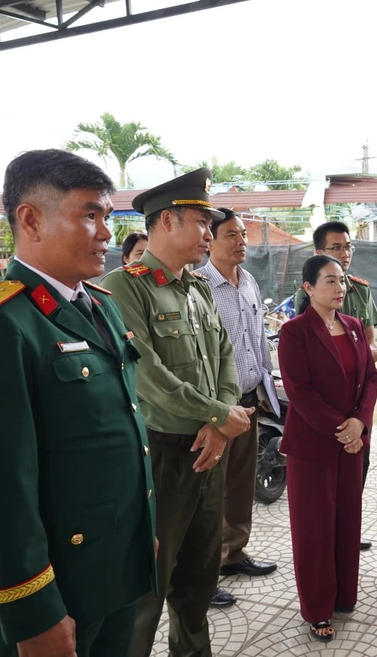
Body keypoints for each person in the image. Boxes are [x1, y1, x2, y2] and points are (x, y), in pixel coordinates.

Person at [0, 149, 157, 657]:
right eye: (89, 215)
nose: (106, 233)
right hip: (56, 589)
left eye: (107, 215)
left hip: (116, 570)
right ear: (31, 220)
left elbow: (122, 433)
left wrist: (142, 534)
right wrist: (33, 613)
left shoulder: (100, 306)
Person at [101, 168, 254, 657]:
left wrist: (221, 421)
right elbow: (147, 376)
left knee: (198, 583)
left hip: (209, 451)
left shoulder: (198, 287)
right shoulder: (124, 287)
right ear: (166, 221)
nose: (210, 233)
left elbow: (225, 355)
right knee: (148, 587)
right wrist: (219, 415)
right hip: (161, 457)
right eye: (201, 222)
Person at [279, 254, 377, 642]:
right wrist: (343, 429)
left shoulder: (353, 326)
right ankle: (318, 608)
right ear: (308, 288)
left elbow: (371, 377)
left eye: (342, 281)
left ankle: (343, 595)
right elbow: (299, 390)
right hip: (314, 444)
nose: (340, 288)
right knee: (314, 528)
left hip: (352, 443)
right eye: (330, 281)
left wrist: (360, 423)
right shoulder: (295, 332)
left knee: (347, 520)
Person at [193, 208, 278, 595]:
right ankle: (202, 573)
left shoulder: (250, 282)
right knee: (209, 492)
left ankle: (234, 554)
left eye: (243, 234)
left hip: (249, 401)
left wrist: (266, 384)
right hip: (216, 408)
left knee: (241, 485)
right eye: (231, 234)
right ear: (210, 239)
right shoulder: (199, 287)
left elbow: (258, 338)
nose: (241, 241)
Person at [294, 220, 377, 550]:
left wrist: (359, 423)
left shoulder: (360, 290)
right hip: (324, 418)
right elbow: (303, 375)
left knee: (355, 478)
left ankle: (348, 529)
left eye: (348, 247)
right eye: (336, 248)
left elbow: (371, 349)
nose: (345, 253)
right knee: (320, 502)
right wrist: (345, 430)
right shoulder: (307, 295)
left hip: (356, 402)